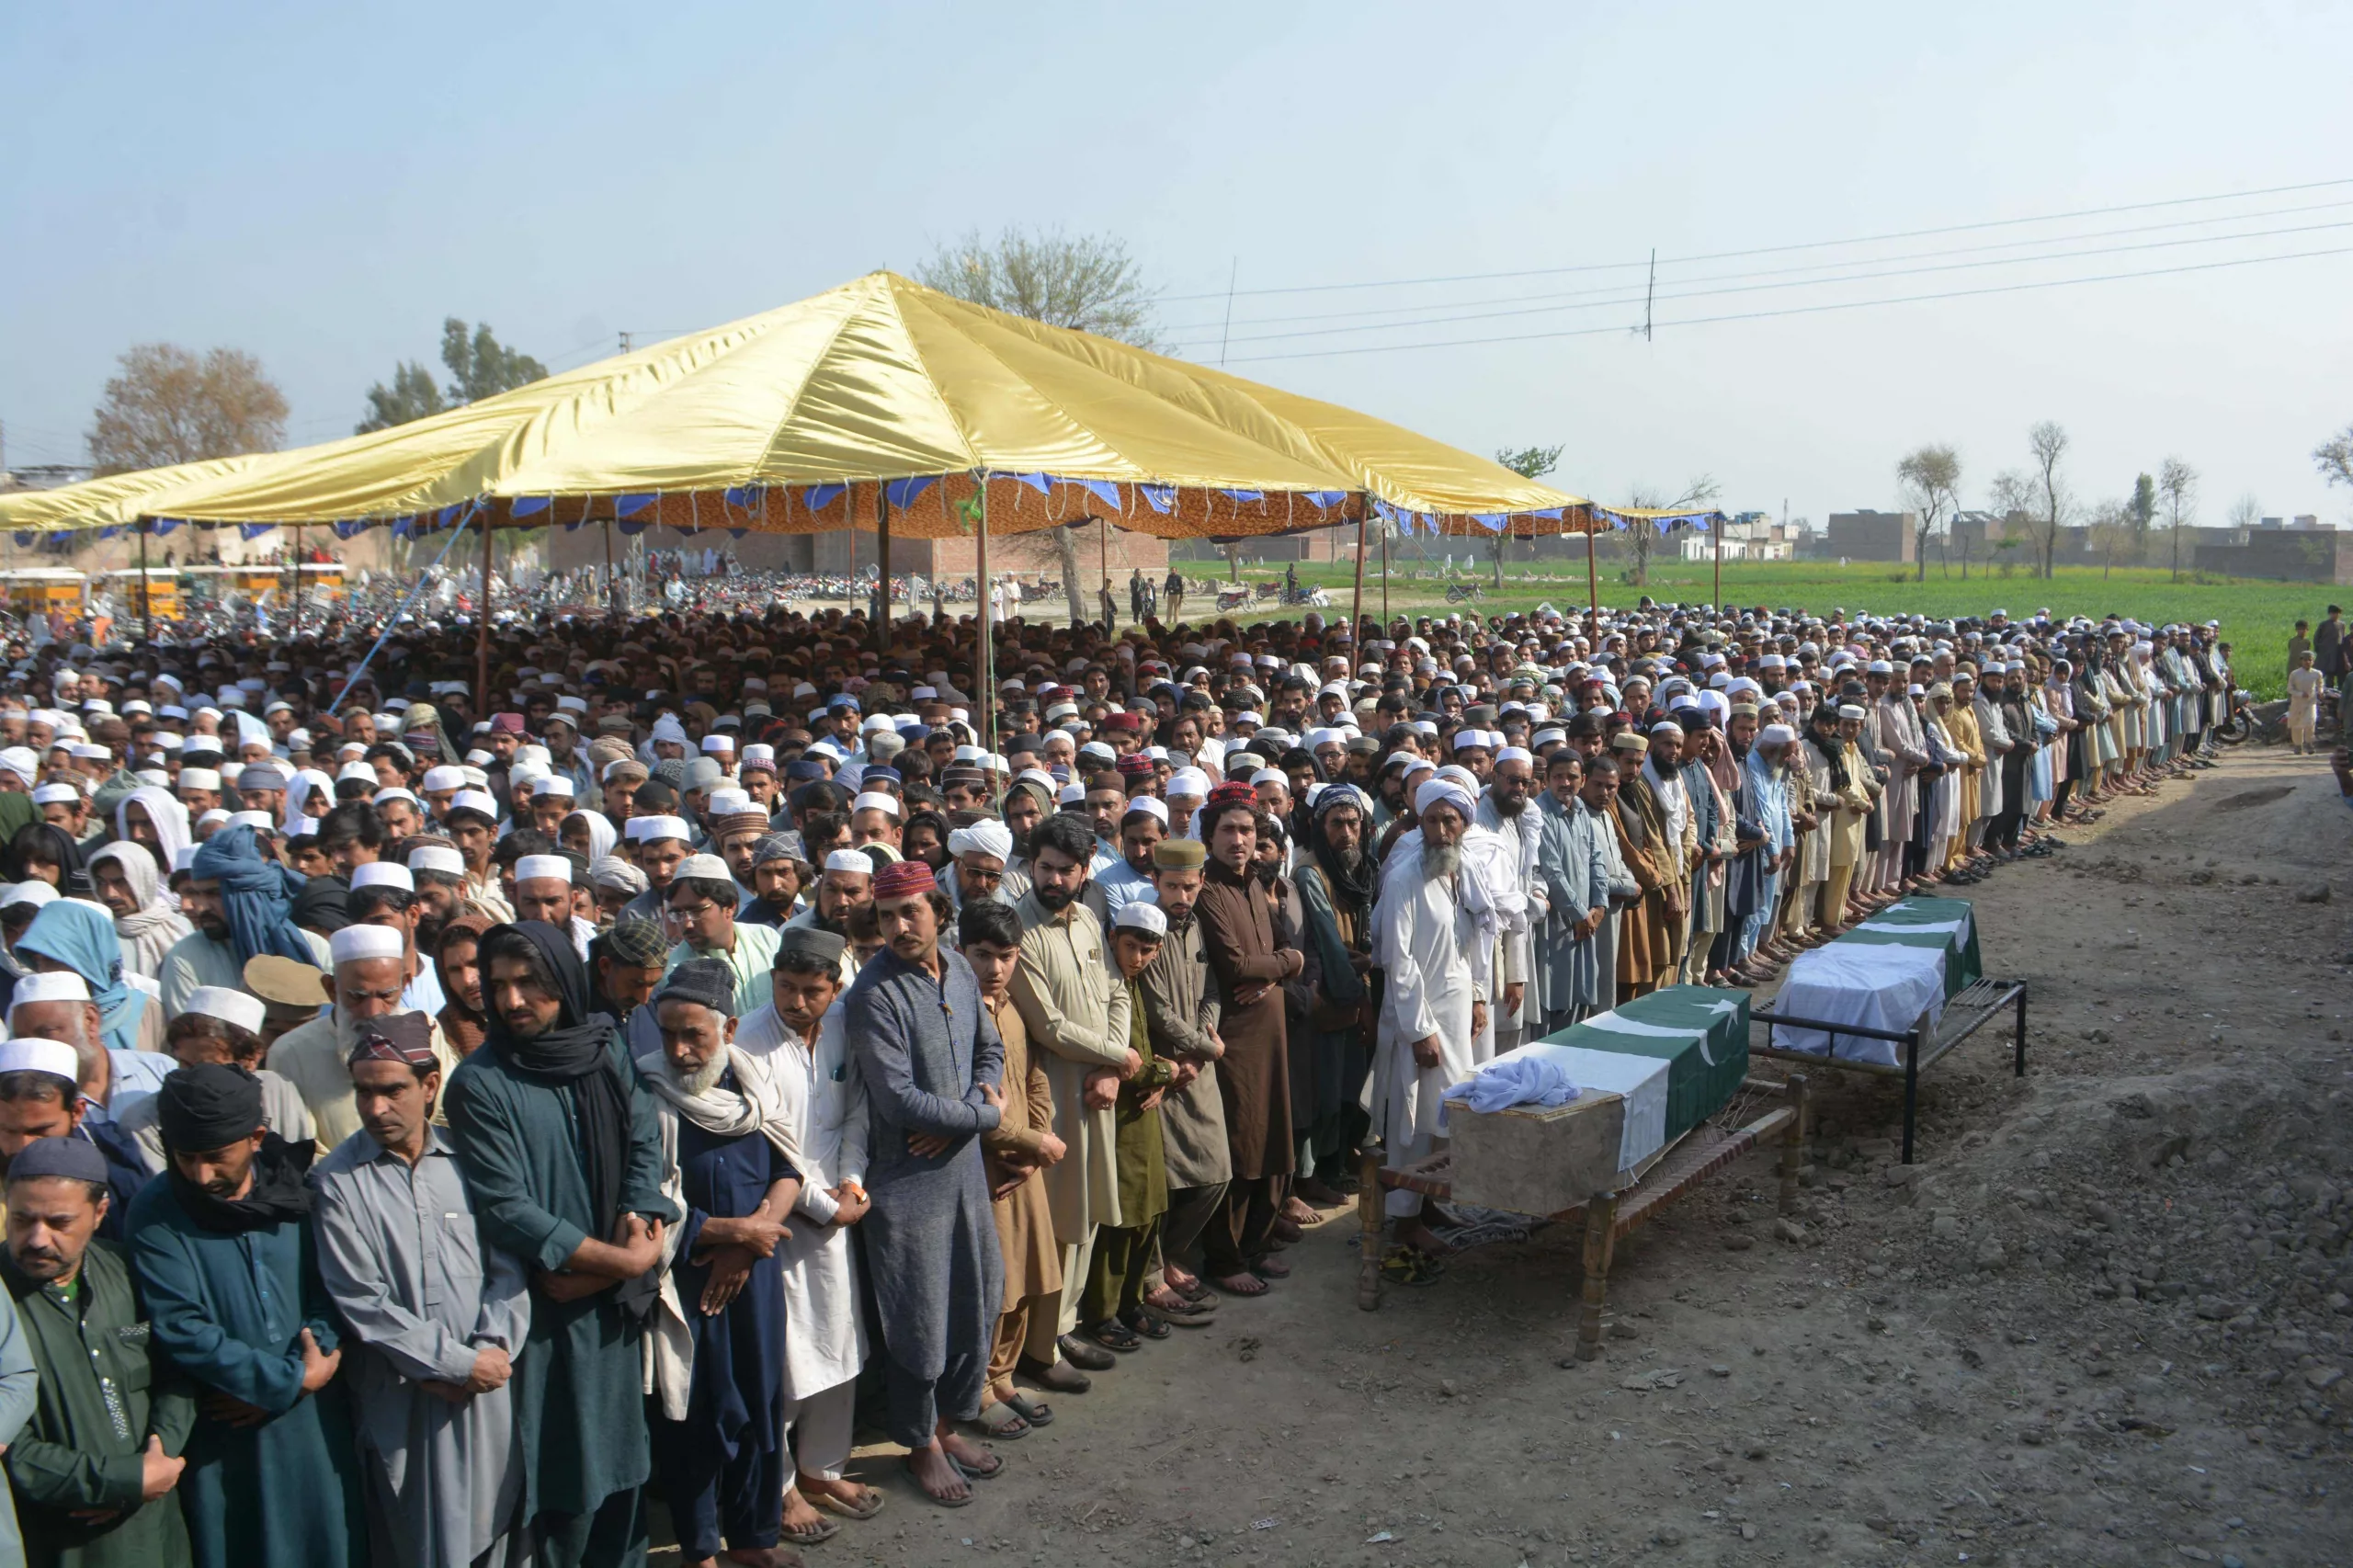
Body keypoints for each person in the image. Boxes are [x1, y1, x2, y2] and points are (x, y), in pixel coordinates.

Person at [442, 922, 677, 1568]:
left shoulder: (602, 1049)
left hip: (610, 1303)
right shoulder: (480, 1083)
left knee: (625, 1468)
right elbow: (508, 1209)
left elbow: (641, 1143)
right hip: (545, 1313)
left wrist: (630, 1237)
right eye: (499, 987)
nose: (514, 1001)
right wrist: (621, 1260)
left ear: (564, 983)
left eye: (530, 983)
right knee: (566, 1478)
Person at [127, 1063, 367, 1568]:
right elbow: (182, 1327)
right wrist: (287, 1381)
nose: (200, 1175)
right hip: (224, 1427)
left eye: (216, 1157)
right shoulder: (156, 1213)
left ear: (256, 1136)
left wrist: (310, 1368)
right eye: (185, 1157)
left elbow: (333, 1287)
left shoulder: (298, 1191)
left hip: (314, 1426)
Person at [313, 1013, 529, 1568]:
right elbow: (363, 1301)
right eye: (364, 1092)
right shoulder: (337, 1183)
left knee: (499, 1530)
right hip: (407, 1396)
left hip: (488, 1389)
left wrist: (492, 1349)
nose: (376, 1108)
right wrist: (454, 1364)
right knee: (419, 1541)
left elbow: (509, 1266)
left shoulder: (471, 1161)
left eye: (392, 1091)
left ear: (430, 1086)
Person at [843, 859, 1006, 1507]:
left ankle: (945, 1424)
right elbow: (900, 1102)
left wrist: (965, 1122)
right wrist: (984, 1115)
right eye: (886, 917)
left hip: (962, 1172)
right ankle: (919, 1446)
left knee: (977, 1296)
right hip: (907, 1183)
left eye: (911, 911)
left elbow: (990, 1050)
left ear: (939, 911)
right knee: (919, 1317)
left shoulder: (961, 970)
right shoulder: (873, 994)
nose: (900, 927)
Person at [634, 960, 804, 1568]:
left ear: (728, 1029)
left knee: (761, 1403)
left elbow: (789, 1170)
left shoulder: (753, 1089)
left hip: (753, 1284)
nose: (679, 1051)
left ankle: (754, 1539)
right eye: (669, 1034)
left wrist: (751, 1237)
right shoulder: (647, 1096)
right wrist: (725, 1235)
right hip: (690, 1288)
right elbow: (644, 1201)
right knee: (695, 1418)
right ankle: (701, 1549)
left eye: (694, 1036)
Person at [730, 926, 882, 1542]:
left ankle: (823, 1469)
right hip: (782, 1218)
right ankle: (782, 1485)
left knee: (840, 1345)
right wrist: (825, 1205)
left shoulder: (845, 1024)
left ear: (834, 988)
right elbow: (771, 1139)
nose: (796, 1002)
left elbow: (855, 1112)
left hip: (840, 1209)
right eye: (785, 988)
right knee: (787, 1360)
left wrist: (852, 1181)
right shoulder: (747, 1040)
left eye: (811, 991)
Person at [2, 1134, 196, 1568]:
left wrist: (157, 1462)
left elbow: (178, 1373)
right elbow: (11, 1445)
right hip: (56, 1536)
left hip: (153, 1524)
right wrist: (118, 1482)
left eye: (58, 1222)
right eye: (22, 1219)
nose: (36, 1238)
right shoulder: (1, 1299)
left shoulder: (128, 1272)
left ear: (99, 1213)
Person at [1007, 813, 1129, 1376]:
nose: (1053, 880)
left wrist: (1113, 1067)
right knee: (1060, 1221)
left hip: (1096, 1093)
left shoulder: (1086, 919)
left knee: (1090, 1216)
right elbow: (1049, 1026)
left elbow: (1116, 990)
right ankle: (1039, 1349)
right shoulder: (1018, 932)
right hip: (1053, 1097)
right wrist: (1114, 1057)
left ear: (1085, 873)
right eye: (1044, 868)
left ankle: (1066, 1327)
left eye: (1065, 871)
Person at [1368, 778, 1494, 1267]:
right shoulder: (1405, 878)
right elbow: (1400, 963)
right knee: (1412, 1122)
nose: (1442, 830)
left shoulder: (1459, 872)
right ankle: (1404, 1222)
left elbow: (1468, 946)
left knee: (1444, 1119)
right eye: (1432, 820)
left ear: (1464, 823)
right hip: (1420, 1023)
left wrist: (1479, 998)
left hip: (1457, 1015)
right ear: (1418, 823)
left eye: (1451, 820)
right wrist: (1420, 1030)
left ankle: (1429, 1204)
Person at [960, 900, 1066, 1429]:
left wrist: (1037, 1139)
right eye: (982, 955)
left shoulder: (1013, 1008)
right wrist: (1029, 1144)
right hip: (984, 1172)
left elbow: (1034, 1078)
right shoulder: (955, 1016)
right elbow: (973, 1108)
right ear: (960, 951)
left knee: (1027, 1278)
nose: (995, 968)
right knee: (994, 1287)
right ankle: (976, 1388)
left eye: (1006, 956)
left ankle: (1002, 1375)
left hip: (1024, 1165)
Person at [1191, 785, 1301, 1294]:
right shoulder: (1207, 890)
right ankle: (1224, 1257)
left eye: (1248, 831)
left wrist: (1281, 968)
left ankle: (1255, 1244)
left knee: (1272, 1133)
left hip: (1273, 1034)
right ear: (1209, 835)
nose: (1239, 840)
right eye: (1229, 830)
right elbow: (1236, 965)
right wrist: (1287, 966)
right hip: (1235, 1036)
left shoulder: (1255, 882)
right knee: (1241, 1142)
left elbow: (1283, 948)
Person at [1078, 902, 1175, 1350]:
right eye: (1130, 945)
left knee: (1149, 1211)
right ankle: (1102, 1313)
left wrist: (1158, 1076)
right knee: (1120, 1217)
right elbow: (1127, 1061)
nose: (1136, 957)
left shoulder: (1134, 981)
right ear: (1113, 938)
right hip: (1116, 1119)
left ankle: (1132, 1301)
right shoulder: (1105, 982)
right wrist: (1167, 1073)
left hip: (1142, 1118)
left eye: (1146, 949)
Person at [156, 825, 332, 1017]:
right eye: (196, 893)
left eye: (214, 894)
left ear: (251, 894)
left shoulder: (314, 948)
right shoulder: (185, 959)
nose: (200, 907)